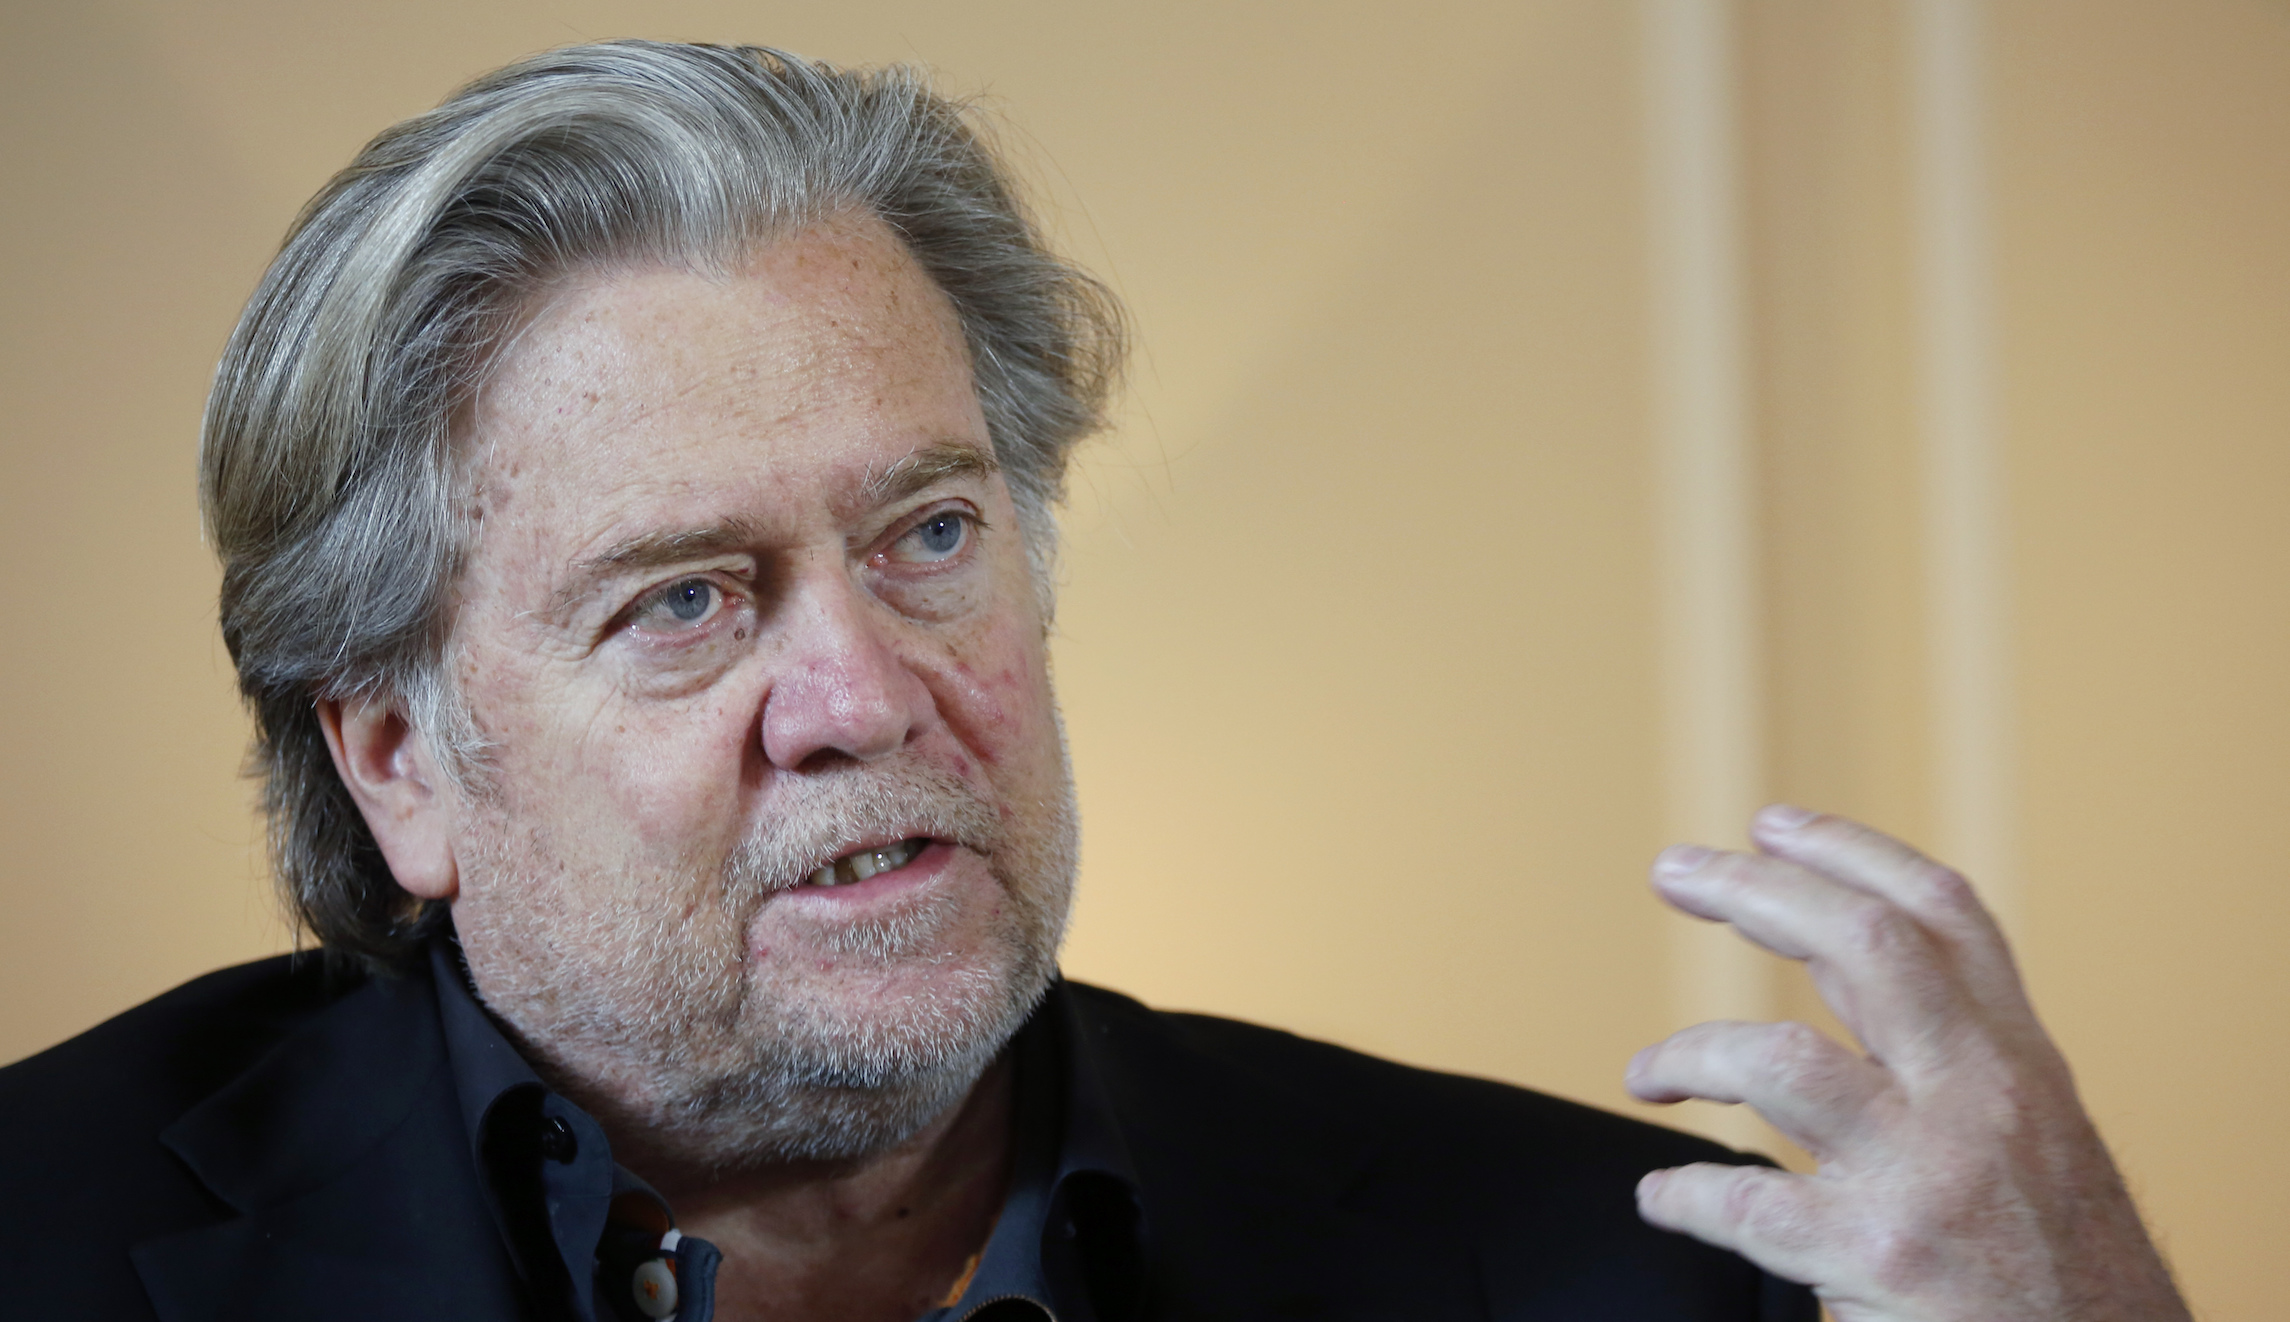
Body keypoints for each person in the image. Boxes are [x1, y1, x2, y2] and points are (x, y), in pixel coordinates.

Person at [0, 40, 2190, 1322]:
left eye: (927, 535)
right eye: (683, 600)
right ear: (399, 760)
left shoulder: (1616, 1275)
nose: (862, 692)